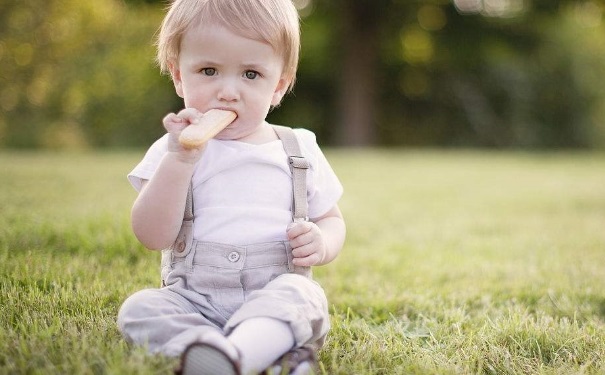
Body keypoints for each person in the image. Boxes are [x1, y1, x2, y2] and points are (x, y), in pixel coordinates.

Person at [117, 0, 346, 374]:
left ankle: (231, 357)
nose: (228, 91)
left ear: (279, 86)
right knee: (140, 309)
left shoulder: (297, 147)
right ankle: (239, 355)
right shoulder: (173, 148)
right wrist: (180, 161)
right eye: (208, 70)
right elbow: (152, 235)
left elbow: (332, 219)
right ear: (178, 76)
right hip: (193, 300)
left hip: (273, 293)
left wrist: (322, 243)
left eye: (251, 74)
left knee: (303, 295)